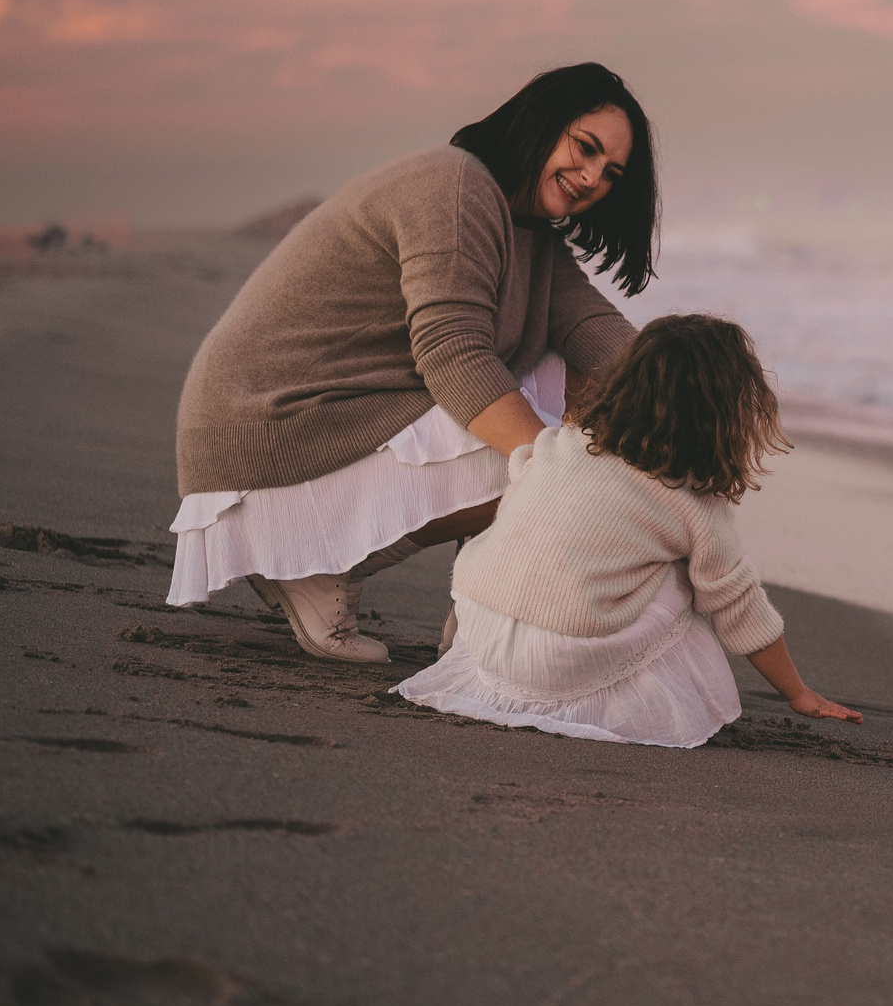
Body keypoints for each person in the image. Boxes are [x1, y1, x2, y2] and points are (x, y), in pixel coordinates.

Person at [166, 63, 658, 662]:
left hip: (328, 422)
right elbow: (452, 354)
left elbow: (596, 334)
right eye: (585, 148)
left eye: (611, 173)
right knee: (564, 459)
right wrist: (557, 475)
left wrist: (704, 390)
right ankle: (320, 567)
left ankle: (484, 604)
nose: (590, 177)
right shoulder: (456, 188)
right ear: (542, 121)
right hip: (269, 439)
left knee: (594, 401)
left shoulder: (529, 233)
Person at [396, 314, 858, 745]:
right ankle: (627, 703)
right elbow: (738, 606)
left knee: (519, 538)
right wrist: (798, 693)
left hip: (482, 625)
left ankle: (457, 650)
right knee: (690, 580)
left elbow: (518, 507)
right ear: (723, 417)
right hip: (559, 660)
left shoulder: (561, 444)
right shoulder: (693, 501)